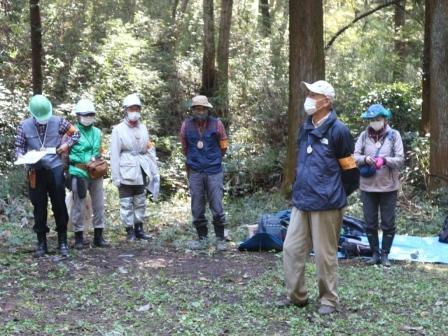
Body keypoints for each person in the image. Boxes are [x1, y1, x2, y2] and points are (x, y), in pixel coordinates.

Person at [281, 80, 359, 315]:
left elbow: (351, 173)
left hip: (327, 204)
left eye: (314, 94)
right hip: (302, 200)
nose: (309, 98)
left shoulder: (339, 130)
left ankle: (328, 300)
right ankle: (297, 297)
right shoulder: (305, 127)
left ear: (326, 101)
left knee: (325, 256)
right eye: (309, 93)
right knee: (291, 249)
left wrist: (333, 193)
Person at [15, 94, 80, 257]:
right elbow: (19, 147)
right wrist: (21, 157)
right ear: (33, 114)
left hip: (55, 169)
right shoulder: (24, 126)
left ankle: (63, 241)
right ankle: (41, 243)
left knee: (59, 204)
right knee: (39, 207)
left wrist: (66, 145)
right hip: (35, 171)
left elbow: (76, 134)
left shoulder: (59, 121)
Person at [354, 104, 404, 267]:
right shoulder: (363, 136)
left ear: (384, 119)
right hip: (368, 186)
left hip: (388, 187)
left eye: (378, 119)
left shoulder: (394, 135)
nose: (375, 122)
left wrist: (385, 160)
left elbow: (400, 159)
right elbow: (354, 156)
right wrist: (365, 159)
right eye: (372, 120)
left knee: (388, 223)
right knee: (370, 222)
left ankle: (385, 255)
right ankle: (374, 253)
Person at [179, 95, 229, 251]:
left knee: (217, 204)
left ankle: (220, 239)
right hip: (195, 170)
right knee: (197, 206)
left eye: (203, 109)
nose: (200, 111)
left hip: (214, 170)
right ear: (192, 110)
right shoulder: (186, 126)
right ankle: (202, 239)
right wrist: (193, 161)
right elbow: (184, 147)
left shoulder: (217, 124)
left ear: (207, 110)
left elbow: (224, 145)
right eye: (197, 109)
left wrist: (214, 159)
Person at [110, 93, 154, 241]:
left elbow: (147, 149)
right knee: (126, 202)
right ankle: (129, 230)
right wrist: (115, 176)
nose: (134, 111)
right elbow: (115, 154)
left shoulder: (143, 128)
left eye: (137, 108)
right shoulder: (118, 129)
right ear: (125, 110)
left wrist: (152, 169)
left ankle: (139, 228)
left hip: (141, 167)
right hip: (125, 168)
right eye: (131, 109)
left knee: (140, 200)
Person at [67, 98, 109, 250]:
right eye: (85, 115)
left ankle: (99, 236)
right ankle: (78, 236)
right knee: (78, 204)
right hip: (78, 171)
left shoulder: (97, 132)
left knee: (98, 203)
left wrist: (98, 160)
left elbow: (98, 150)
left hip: (96, 171)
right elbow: (65, 152)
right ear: (78, 115)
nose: (88, 117)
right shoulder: (72, 132)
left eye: (91, 114)